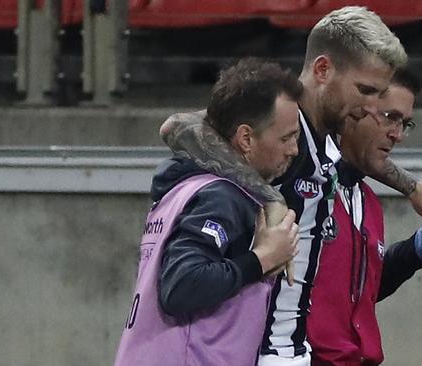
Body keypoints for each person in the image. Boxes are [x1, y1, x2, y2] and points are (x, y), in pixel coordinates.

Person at [159, 7, 422, 365]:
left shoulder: (325, 146)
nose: (370, 107)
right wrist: (270, 197)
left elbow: (361, 157)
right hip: (259, 351)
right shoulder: (277, 133)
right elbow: (179, 128)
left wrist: (412, 189)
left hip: (296, 351)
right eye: (365, 91)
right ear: (323, 70)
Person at [114, 58, 303, 366]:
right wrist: (264, 258)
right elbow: (182, 285)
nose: (294, 150)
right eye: (285, 138)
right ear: (245, 138)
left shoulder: (184, 188)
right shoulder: (221, 196)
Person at [307, 66, 422, 366]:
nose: (398, 135)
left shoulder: (368, 201)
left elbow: (356, 297)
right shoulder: (302, 184)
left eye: (406, 123)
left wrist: (413, 252)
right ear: (353, 110)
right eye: (390, 117)